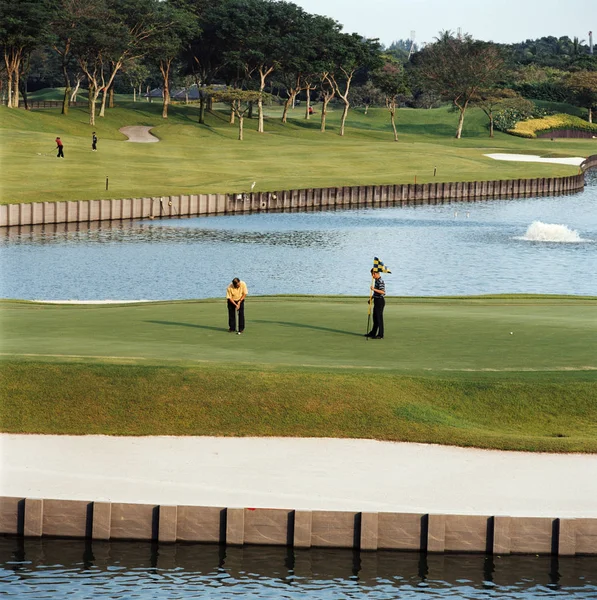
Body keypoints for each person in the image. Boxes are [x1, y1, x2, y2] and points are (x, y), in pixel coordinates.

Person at [365, 269, 385, 339]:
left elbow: (383, 292)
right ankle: (373, 333)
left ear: (376, 273)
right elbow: (376, 293)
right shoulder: (376, 280)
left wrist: (373, 289)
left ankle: (380, 334)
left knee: (379, 318)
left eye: (373, 274)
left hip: (380, 301)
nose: (372, 276)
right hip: (376, 300)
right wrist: (371, 298)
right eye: (372, 274)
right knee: (375, 318)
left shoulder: (380, 281)